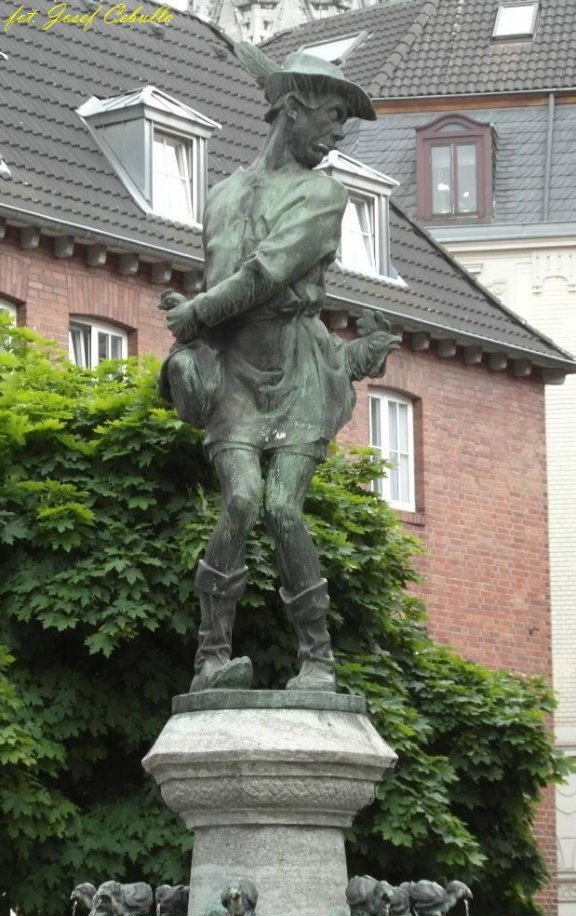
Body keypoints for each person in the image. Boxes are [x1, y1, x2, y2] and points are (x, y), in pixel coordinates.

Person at [160, 44, 400, 693]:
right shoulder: (222, 194)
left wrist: (198, 312)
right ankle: (212, 656)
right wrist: (202, 317)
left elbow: (268, 271)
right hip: (235, 364)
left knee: (283, 509)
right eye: (329, 117)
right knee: (240, 498)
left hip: (297, 366)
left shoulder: (326, 195)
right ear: (290, 109)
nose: (338, 133)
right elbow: (225, 271)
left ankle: (316, 659)